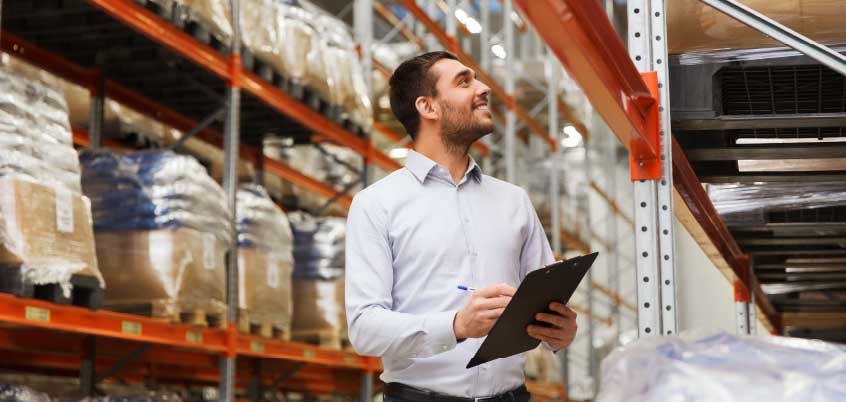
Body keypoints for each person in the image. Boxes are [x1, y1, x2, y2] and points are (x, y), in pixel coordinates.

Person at [345, 51, 578, 402]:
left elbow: (545, 304)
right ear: (428, 107)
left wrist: (560, 330)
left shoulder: (514, 201)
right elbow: (365, 329)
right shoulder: (377, 204)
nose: (483, 89)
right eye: (464, 82)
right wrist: (455, 326)